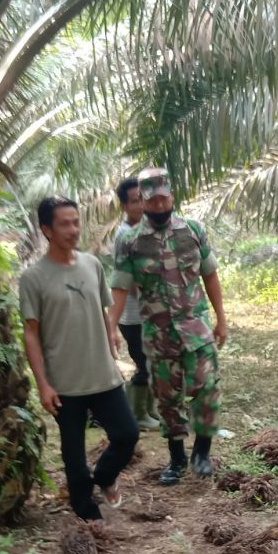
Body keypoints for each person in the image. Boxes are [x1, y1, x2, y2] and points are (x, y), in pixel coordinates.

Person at [20, 196, 139, 521]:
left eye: (76, 222)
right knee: (73, 453)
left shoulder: (92, 264)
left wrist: (111, 338)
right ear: (46, 229)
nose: (73, 229)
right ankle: (88, 514)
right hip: (64, 381)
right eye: (64, 224)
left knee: (127, 434)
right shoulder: (33, 278)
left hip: (101, 372)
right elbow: (31, 333)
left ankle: (103, 477)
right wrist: (43, 384)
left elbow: (103, 309)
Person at [112, 167, 229, 485]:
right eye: (152, 201)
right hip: (159, 334)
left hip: (196, 328)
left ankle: (201, 453)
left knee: (207, 390)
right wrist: (111, 327)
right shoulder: (129, 241)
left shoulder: (193, 229)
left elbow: (210, 274)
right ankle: (176, 459)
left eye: (164, 199)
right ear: (143, 201)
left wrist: (221, 317)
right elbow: (120, 288)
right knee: (167, 398)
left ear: (172, 196)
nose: (160, 206)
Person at [113, 177, 162, 431]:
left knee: (153, 362)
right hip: (133, 316)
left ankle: (150, 410)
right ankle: (138, 414)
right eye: (134, 201)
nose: (140, 205)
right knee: (143, 364)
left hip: (150, 314)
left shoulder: (148, 230)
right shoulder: (124, 235)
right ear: (123, 205)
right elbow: (128, 281)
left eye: (142, 199)